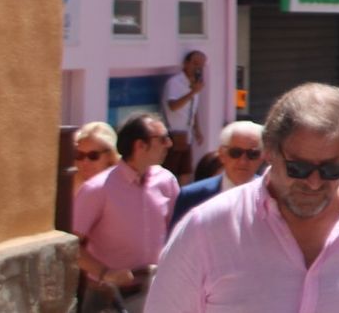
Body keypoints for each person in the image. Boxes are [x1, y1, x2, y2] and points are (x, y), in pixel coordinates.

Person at [147, 83, 339, 312]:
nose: (314, 182)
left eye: (331, 169)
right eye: (298, 168)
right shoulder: (206, 229)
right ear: (269, 151)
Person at [75, 112, 179, 311]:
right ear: (140, 145)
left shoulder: (166, 181)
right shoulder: (98, 189)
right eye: (163, 139)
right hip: (108, 296)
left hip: (156, 289)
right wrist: (106, 273)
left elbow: (176, 232)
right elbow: (71, 247)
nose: (169, 144)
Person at [170, 121, 263, 230]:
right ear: (222, 154)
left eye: (252, 154)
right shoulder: (192, 196)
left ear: (263, 157)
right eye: (236, 153)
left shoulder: (273, 195)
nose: (243, 161)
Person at [161, 51, 207, 182]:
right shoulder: (175, 83)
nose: (198, 68)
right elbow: (173, 106)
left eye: (201, 65)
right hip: (173, 134)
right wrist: (193, 92)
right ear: (186, 64)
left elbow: (193, 108)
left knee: (185, 172)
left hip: (187, 136)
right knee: (170, 172)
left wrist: (197, 129)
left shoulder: (195, 85)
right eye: (195, 64)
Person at [72, 121, 118, 197]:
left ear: (109, 156)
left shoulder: (121, 190)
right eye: (80, 155)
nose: (85, 162)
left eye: (93, 156)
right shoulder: (66, 189)